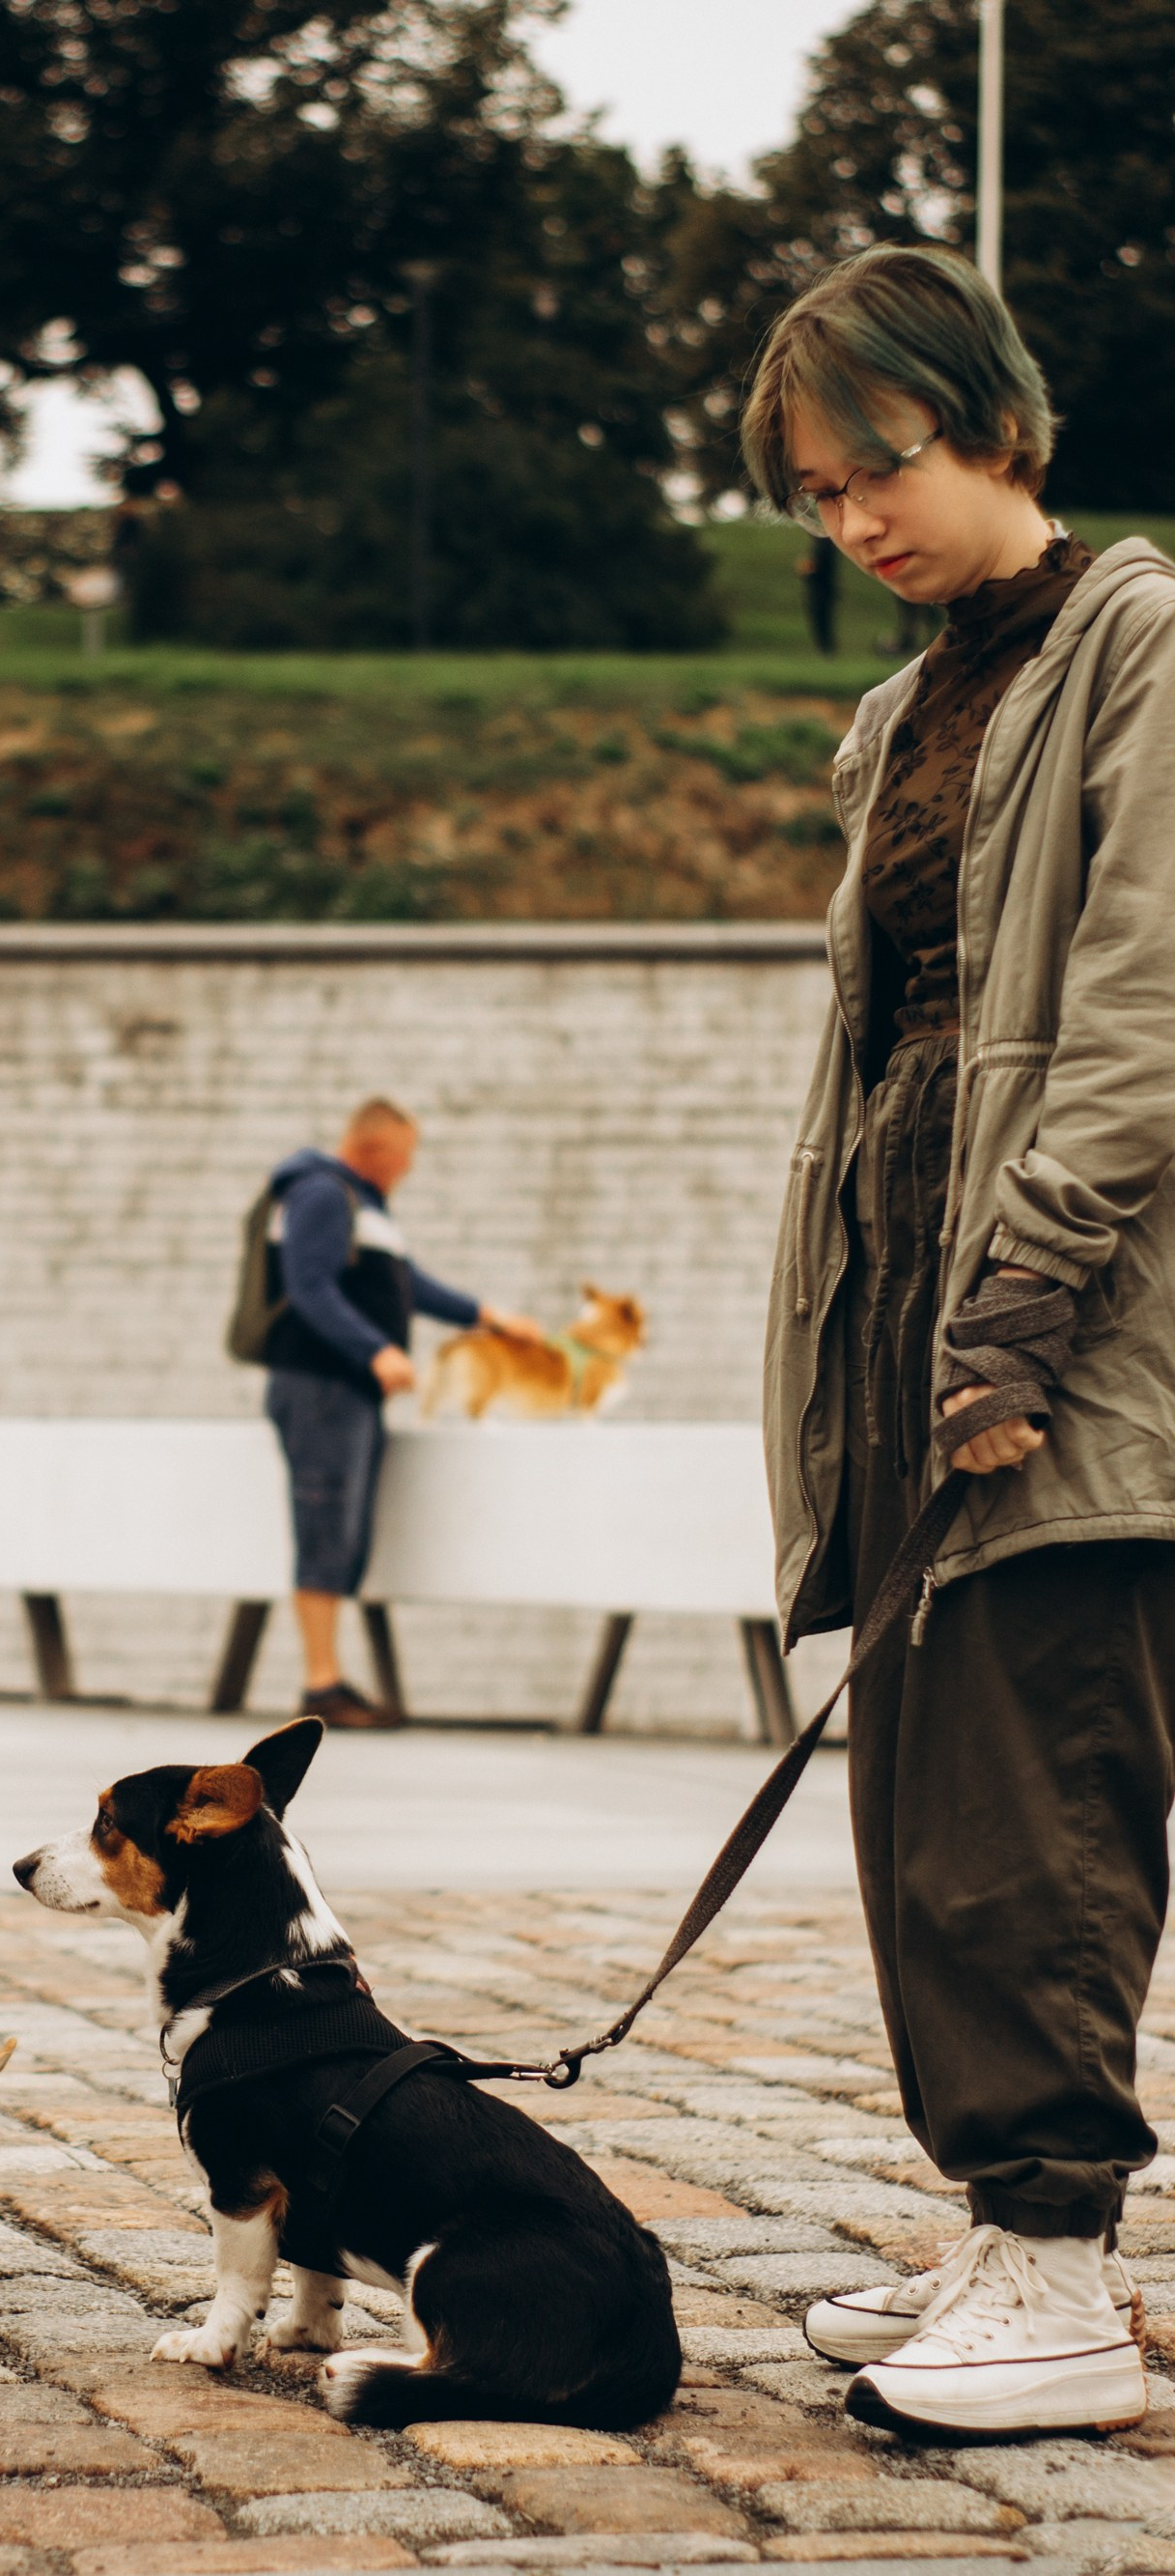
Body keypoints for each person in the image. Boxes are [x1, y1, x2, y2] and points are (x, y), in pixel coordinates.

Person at [749, 243, 1175, 2440]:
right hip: (905, 1314)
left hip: (1065, 1329)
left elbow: (1136, 1004)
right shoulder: (904, 701)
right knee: (918, 1804)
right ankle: (997, 2228)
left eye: (878, 465)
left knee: (1032, 1802)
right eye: (818, 496)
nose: (855, 520)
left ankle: (1057, 2256)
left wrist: (1019, 1302)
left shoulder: (1135, 641)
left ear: (990, 417)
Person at [259, 1099, 540, 1727]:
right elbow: (309, 1285)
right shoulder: (322, 1195)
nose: (408, 1169)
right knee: (323, 1521)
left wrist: (487, 1315)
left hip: (343, 1392)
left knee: (341, 1528)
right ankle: (320, 1684)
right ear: (376, 1149)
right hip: (320, 1388)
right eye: (405, 1155)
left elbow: (407, 1284)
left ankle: (327, 1681)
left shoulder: (362, 1206)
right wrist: (376, 1349)